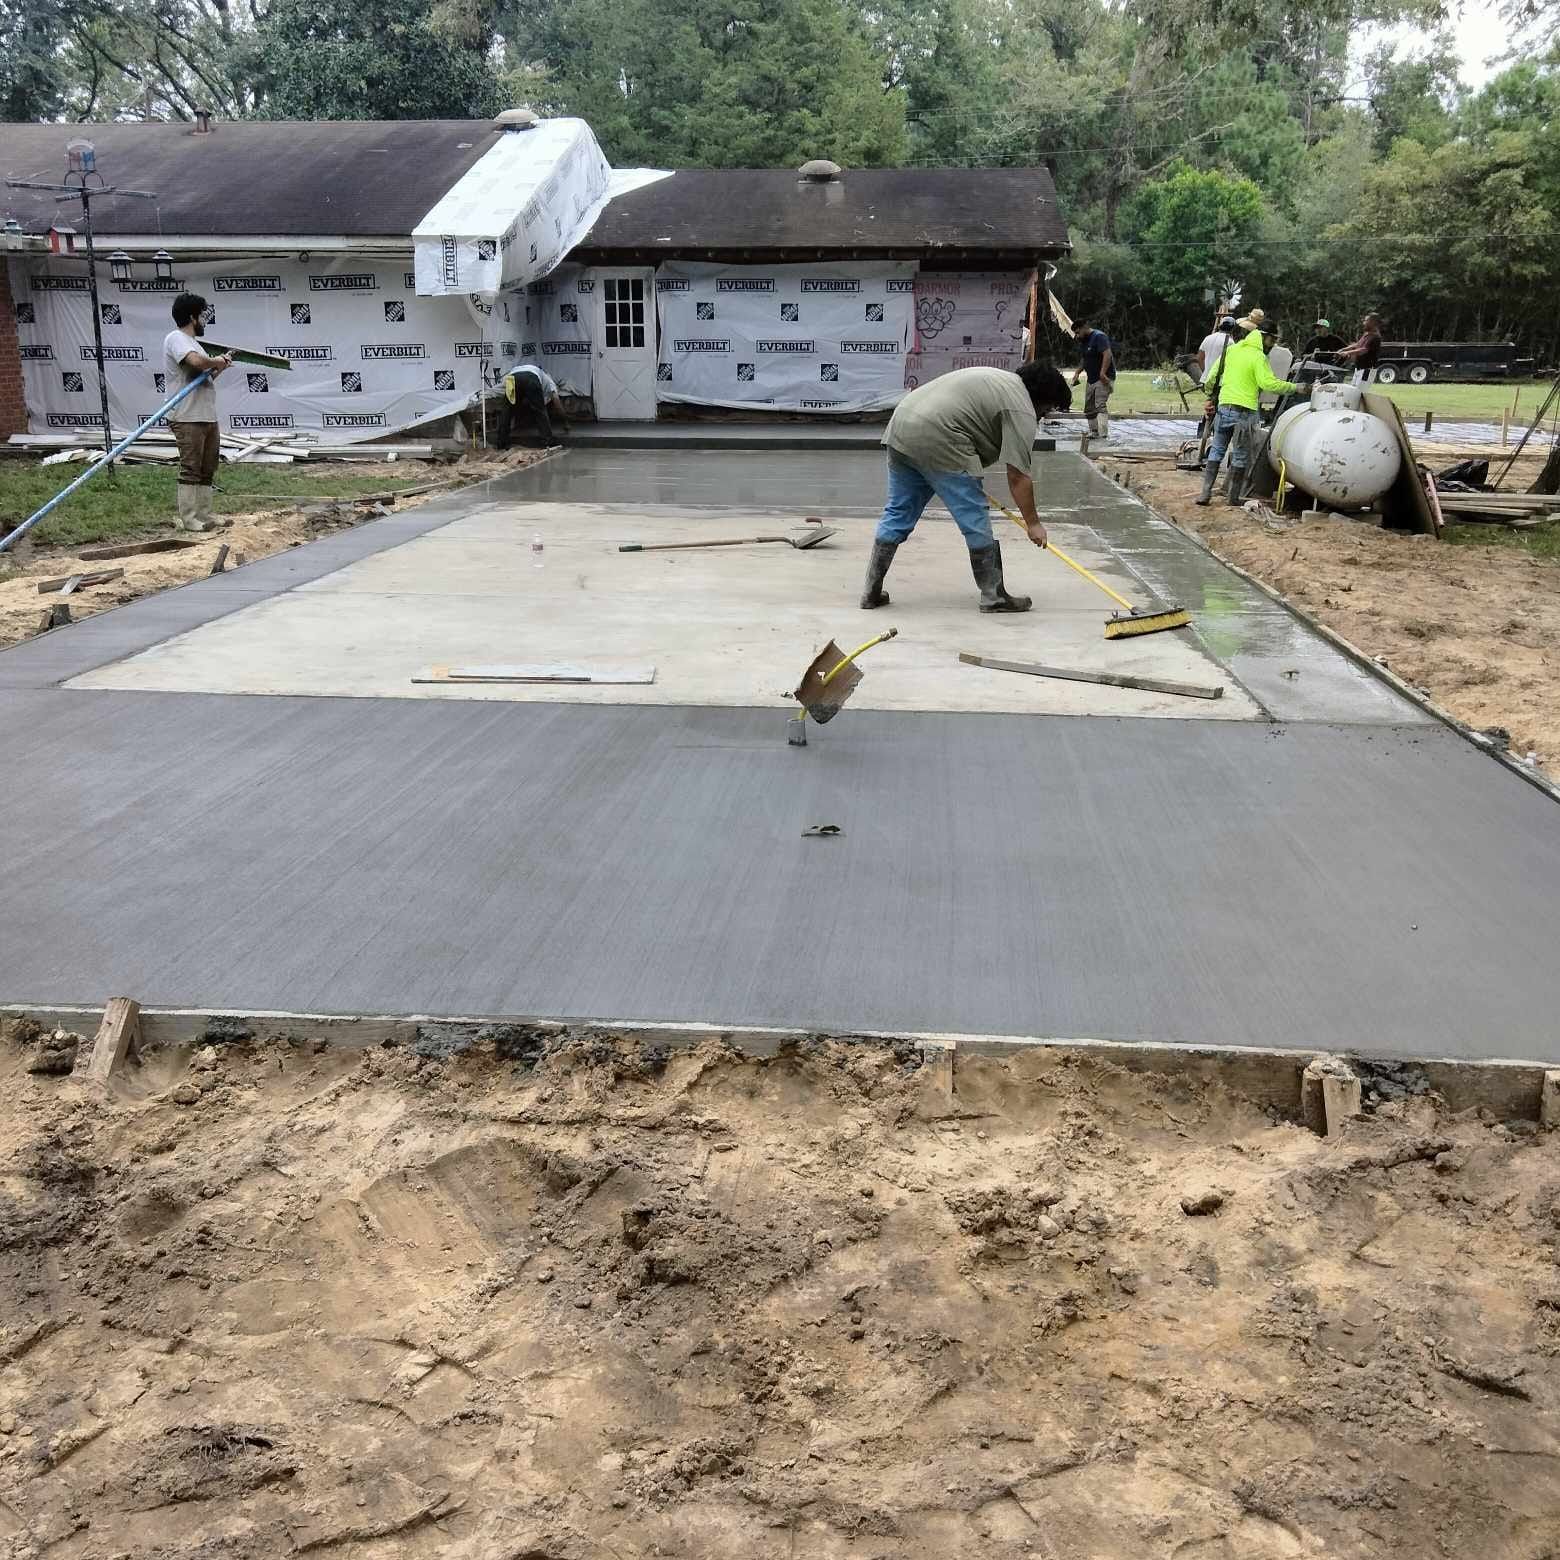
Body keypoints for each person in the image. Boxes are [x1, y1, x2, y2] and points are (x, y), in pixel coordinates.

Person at [860, 362, 1071, 614]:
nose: (1043, 416)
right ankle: (994, 596)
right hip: (941, 435)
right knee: (974, 518)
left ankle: (870, 592)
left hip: (902, 425)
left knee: (898, 512)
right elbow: (1017, 475)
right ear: (1043, 398)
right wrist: (1033, 523)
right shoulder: (1021, 406)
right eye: (1048, 409)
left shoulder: (1000, 381)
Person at [1195, 313, 1298, 507]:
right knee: (1241, 455)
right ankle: (1233, 499)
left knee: (1217, 450)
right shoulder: (1258, 356)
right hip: (1245, 413)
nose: (1272, 345)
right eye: (1272, 341)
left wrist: (1210, 398)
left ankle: (1205, 494)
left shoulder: (1232, 351)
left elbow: (1211, 379)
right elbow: (1268, 383)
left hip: (1224, 408)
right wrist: (1295, 387)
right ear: (1264, 337)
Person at [163, 292, 233, 533]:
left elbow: (205, 374)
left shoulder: (195, 343)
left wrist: (219, 366)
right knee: (191, 466)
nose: (204, 320)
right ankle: (189, 517)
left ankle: (204, 513)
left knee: (208, 466)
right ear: (193, 317)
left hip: (205, 414)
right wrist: (215, 360)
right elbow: (196, 363)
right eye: (202, 316)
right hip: (186, 415)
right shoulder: (176, 338)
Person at [496, 362, 570, 447]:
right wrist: (566, 421)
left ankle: (501, 442)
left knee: (507, 410)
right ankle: (547, 442)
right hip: (530, 378)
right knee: (540, 411)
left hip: (512, 378)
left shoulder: (522, 368)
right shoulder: (548, 379)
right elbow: (556, 401)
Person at [1069, 319, 1115, 442]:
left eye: (1078, 332)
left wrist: (1103, 373)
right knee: (1089, 407)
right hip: (1091, 378)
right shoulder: (1084, 341)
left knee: (1099, 405)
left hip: (1103, 378)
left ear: (1084, 327)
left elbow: (1107, 354)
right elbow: (1085, 359)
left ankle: (1103, 434)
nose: (1077, 336)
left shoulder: (1099, 337)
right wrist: (1078, 371)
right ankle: (1094, 432)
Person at [1336, 313, 1384, 385]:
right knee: (1355, 391)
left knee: (1359, 392)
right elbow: (1358, 344)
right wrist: (1344, 349)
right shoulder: (1367, 334)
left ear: (1373, 322)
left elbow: (1363, 350)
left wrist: (1347, 353)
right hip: (1359, 369)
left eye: (1366, 320)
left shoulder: (1375, 337)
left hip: (1367, 370)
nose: (1363, 323)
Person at [1197, 316, 1238, 385]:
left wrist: (1205, 372)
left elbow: (1200, 358)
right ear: (1232, 329)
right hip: (1219, 381)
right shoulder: (1230, 342)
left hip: (1205, 379)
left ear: (1220, 326)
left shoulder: (1207, 338)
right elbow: (1232, 363)